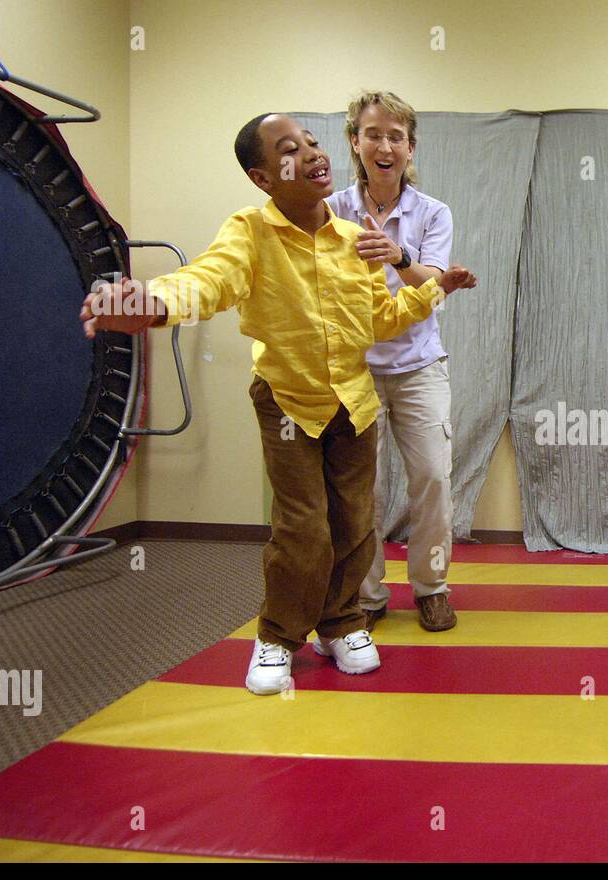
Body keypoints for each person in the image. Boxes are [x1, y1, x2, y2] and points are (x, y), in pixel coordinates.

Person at [78, 113, 477, 695]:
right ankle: (277, 636)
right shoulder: (249, 231)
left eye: (312, 142)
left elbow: (380, 320)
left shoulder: (352, 238)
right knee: (302, 527)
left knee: (353, 523)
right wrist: (153, 301)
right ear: (264, 177)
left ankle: (341, 624)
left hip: (354, 405)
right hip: (290, 402)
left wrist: (434, 289)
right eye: (291, 149)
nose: (313, 154)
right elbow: (207, 282)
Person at [327, 91, 458, 633]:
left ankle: (431, 588)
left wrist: (400, 257)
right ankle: (368, 594)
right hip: (355, 366)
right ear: (355, 142)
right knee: (364, 488)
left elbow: (438, 285)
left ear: (410, 147)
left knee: (431, 477)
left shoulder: (432, 212)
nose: (384, 146)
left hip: (419, 364)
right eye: (373, 134)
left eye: (395, 137)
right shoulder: (331, 210)